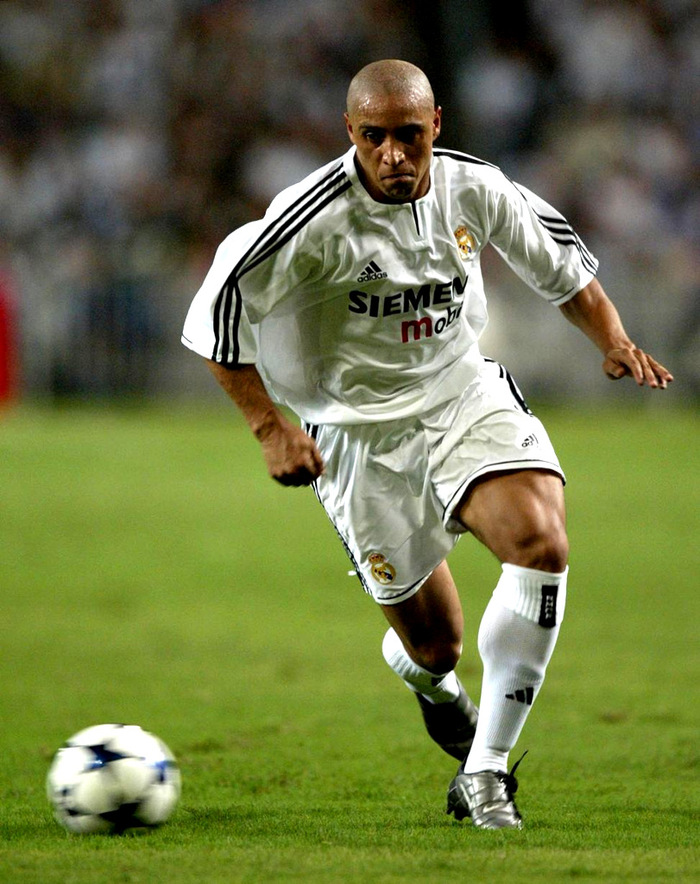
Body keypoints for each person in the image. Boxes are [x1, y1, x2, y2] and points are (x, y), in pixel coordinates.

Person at [182, 59, 673, 830]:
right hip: (355, 437)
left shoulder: (474, 187)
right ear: (350, 133)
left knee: (541, 542)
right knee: (436, 646)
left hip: (460, 395)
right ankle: (434, 687)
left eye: (409, 135)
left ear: (436, 124)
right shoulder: (307, 220)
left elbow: (560, 267)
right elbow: (216, 316)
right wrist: (272, 428)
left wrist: (611, 338)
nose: (394, 155)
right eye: (374, 137)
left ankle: (486, 771)